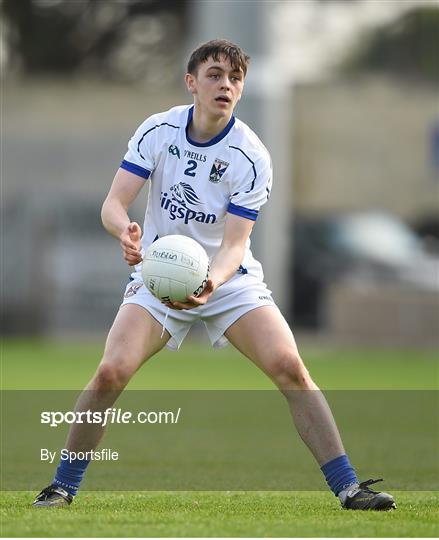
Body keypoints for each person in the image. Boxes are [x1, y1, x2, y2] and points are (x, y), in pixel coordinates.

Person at [33, 39, 395, 511]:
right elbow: (113, 204)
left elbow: (235, 245)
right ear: (191, 83)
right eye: (215, 74)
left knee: (291, 369)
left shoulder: (252, 156)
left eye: (235, 78)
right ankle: (62, 486)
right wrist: (127, 233)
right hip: (159, 275)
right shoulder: (159, 130)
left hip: (230, 280)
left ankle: (350, 488)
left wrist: (212, 284)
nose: (226, 84)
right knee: (110, 371)